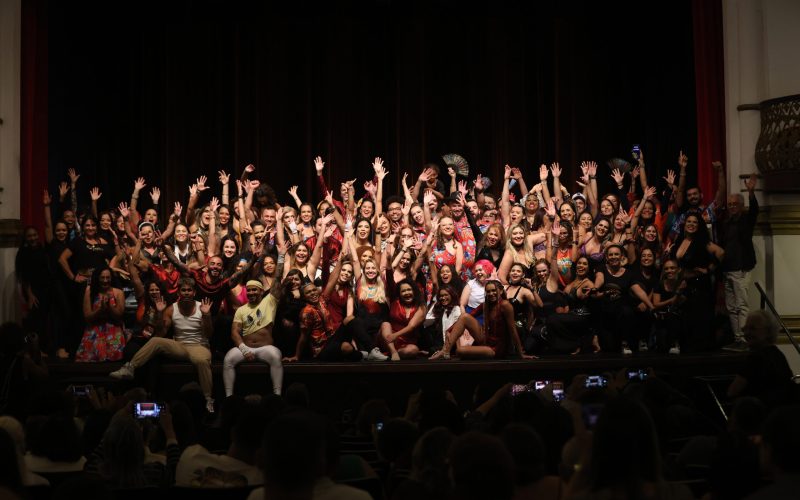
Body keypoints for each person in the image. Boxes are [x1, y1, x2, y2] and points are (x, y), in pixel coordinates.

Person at [109, 277, 217, 413]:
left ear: (194, 292)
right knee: (155, 341)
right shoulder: (171, 309)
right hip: (180, 346)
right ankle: (130, 368)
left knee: (202, 360)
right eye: (184, 290)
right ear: (179, 293)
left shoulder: (202, 307)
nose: (187, 293)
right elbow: (160, 334)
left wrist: (206, 316)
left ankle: (208, 400)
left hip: (199, 346)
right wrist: (160, 313)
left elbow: (209, 334)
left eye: (189, 290)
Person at [430, 280, 531, 360]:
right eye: (488, 291)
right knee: (464, 316)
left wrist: (520, 354)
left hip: (496, 348)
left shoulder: (505, 305)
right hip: (486, 339)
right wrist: (450, 330)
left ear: (500, 291)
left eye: (494, 290)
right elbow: (466, 317)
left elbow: (513, 329)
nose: (491, 293)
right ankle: (445, 350)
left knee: (460, 351)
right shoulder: (485, 305)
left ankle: (448, 351)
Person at [223, 280, 284, 397]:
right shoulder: (241, 310)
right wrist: (244, 349)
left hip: (265, 348)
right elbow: (234, 332)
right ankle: (229, 397)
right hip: (246, 348)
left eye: (254, 289)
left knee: (276, 357)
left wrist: (281, 260)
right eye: (249, 290)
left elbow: (278, 277)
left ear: (261, 291)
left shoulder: (270, 302)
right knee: (228, 360)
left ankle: (277, 396)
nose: (251, 292)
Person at [727, 310, 798, 409]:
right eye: (745, 328)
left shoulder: (756, 358)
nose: (747, 333)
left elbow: (732, 391)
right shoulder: (778, 354)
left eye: (752, 329)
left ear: (768, 332)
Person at [721, 174, 759, 351]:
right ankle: (737, 338)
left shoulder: (746, 220)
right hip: (727, 269)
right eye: (729, 204)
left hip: (741, 268)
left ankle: (744, 340)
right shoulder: (726, 222)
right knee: (731, 307)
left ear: (741, 206)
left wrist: (751, 192)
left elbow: (755, 211)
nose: (731, 207)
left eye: (735, 204)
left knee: (742, 305)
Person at [74, 267, 126, 362]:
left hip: (113, 328)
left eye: (107, 277)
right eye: (102, 277)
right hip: (94, 328)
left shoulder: (118, 292)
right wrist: (100, 310)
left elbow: (119, 315)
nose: (105, 280)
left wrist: (109, 307)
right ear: (98, 278)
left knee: (114, 358)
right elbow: (87, 317)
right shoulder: (89, 291)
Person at [381, 280, 427, 361]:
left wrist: (395, 335)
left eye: (409, 289)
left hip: (407, 342)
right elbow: (389, 280)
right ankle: (393, 352)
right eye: (403, 291)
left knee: (413, 350)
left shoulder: (421, 306)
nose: (406, 293)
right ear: (399, 294)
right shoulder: (395, 302)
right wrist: (393, 336)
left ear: (414, 291)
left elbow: (411, 326)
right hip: (389, 339)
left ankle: (392, 354)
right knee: (385, 324)